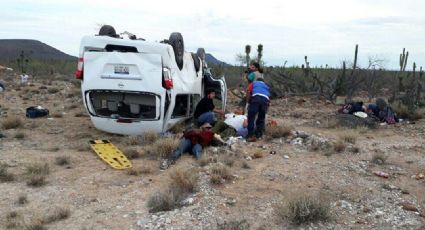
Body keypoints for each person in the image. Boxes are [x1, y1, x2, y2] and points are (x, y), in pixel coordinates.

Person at [160, 123, 225, 170]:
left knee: (197, 151)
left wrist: (223, 142)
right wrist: (179, 138)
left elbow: (218, 137)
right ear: (202, 127)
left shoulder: (211, 133)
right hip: (189, 140)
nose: (208, 129)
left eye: (209, 128)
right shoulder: (195, 130)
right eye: (206, 127)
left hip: (198, 143)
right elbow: (184, 135)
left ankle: (201, 166)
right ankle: (168, 161)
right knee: (179, 150)